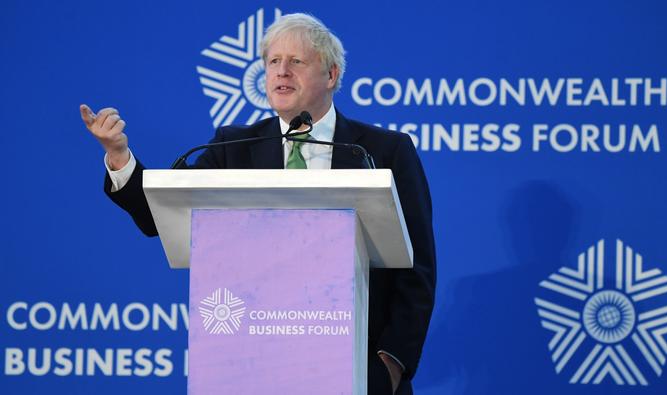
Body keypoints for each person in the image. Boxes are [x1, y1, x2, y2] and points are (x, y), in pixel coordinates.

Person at [81, 13, 435, 395]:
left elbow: (417, 267)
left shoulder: (381, 151)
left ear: (331, 76)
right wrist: (120, 158)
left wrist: (390, 364)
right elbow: (160, 219)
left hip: (358, 370)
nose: (282, 72)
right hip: (251, 365)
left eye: (296, 62)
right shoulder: (233, 147)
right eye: (272, 62)